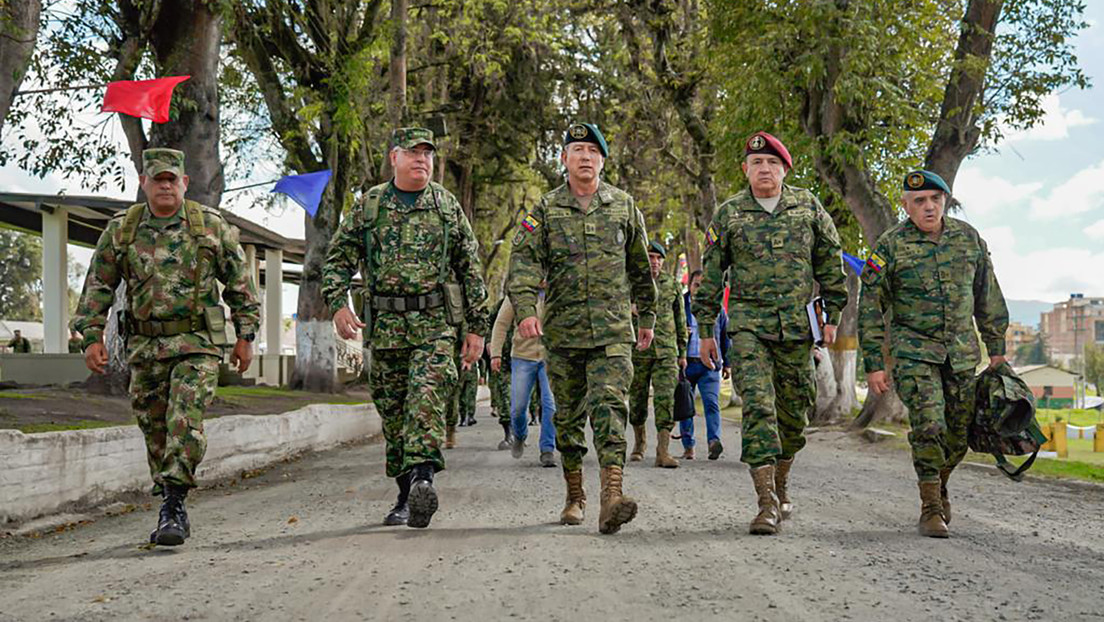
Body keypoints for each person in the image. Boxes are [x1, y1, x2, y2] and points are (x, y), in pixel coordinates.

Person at [71, 148, 260, 546]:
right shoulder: (123, 230)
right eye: (158, 179)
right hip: (145, 346)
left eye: (172, 179)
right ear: (144, 183)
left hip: (197, 344)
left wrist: (246, 336)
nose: (165, 186)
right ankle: (170, 501)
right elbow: (98, 287)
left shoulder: (208, 225)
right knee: (154, 426)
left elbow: (240, 283)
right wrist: (91, 336)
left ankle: (173, 502)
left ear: (184, 183)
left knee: (182, 418)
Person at [323, 127, 488, 529]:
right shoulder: (369, 206)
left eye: (428, 154)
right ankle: (405, 494)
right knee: (394, 414)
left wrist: (477, 329)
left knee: (425, 398)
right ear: (393, 157)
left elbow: (470, 269)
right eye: (413, 152)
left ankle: (423, 479)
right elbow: (337, 260)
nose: (422, 160)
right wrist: (338, 303)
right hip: (386, 329)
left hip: (433, 327)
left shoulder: (447, 207)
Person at [695, 131, 847, 536]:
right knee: (759, 408)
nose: (765, 169)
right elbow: (709, 276)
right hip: (748, 329)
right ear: (745, 170)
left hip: (797, 330)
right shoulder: (729, 215)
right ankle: (765, 503)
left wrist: (831, 316)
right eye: (757, 163)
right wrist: (707, 331)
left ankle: (781, 484)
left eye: (772, 163)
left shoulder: (808, 208)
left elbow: (831, 265)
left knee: (793, 416)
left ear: (784, 170)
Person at [509, 122, 656, 534]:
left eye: (593, 151)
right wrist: (525, 309)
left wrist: (647, 318)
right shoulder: (545, 210)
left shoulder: (624, 207)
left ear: (603, 161)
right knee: (569, 419)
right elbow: (523, 264)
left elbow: (641, 269)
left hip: (612, 332)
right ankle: (575, 495)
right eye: (577, 150)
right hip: (564, 333)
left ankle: (612, 495)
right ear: (565, 160)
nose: (586, 157)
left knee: (611, 408)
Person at [858, 169, 1008, 538]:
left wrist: (997, 348)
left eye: (935, 199)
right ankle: (930, 508)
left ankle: (938, 484)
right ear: (906, 206)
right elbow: (870, 307)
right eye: (920, 201)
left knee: (957, 435)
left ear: (946, 200)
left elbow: (987, 294)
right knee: (929, 425)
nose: (929, 207)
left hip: (960, 353)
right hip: (913, 353)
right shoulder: (890, 246)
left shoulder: (968, 239)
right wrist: (875, 364)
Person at [628, 241, 687, 468]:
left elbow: (680, 320)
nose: (654, 262)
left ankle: (663, 450)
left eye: (658, 258)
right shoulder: (634, 283)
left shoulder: (671, 284)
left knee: (665, 399)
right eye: (650, 257)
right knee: (637, 400)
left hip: (667, 352)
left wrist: (682, 352)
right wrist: (630, 307)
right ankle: (639, 443)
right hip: (639, 351)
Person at [490, 287, 557, 467]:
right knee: (518, 408)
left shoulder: (557, 288)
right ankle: (519, 435)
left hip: (550, 357)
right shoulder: (518, 292)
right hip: (522, 357)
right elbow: (501, 324)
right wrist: (495, 354)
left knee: (550, 404)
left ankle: (547, 449)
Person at [678, 269, 731, 460]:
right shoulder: (679, 306)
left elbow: (725, 335)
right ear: (689, 285)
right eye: (696, 285)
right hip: (685, 365)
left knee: (711, 403)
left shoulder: (716, 308)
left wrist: (727, 363)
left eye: (703, 285)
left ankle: (713, 442)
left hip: (709, 366)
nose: (699, 289)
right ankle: (688, 446)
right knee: (685, 407)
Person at [486, 296, 515, 450]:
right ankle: (508, 433)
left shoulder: (533, 301)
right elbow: (488, 322)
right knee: (504, 394)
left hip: (525, 356)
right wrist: (489, 343)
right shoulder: (502, 304)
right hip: (503, 356)